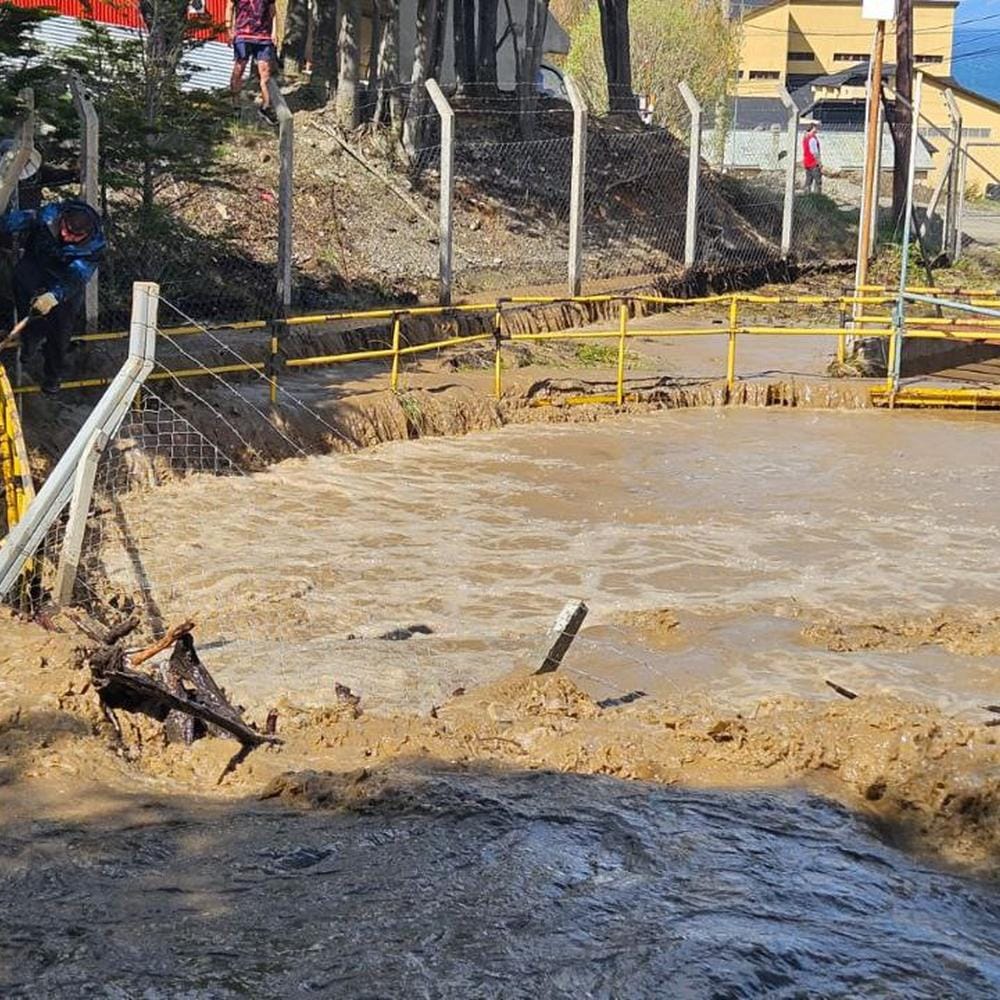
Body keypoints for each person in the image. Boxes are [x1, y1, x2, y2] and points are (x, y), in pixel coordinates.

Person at [0, 200, 105, 395]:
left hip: (65, 279)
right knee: (21, 282)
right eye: (65, 229)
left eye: (74, 235)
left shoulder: (93, 247)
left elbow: (77, 276)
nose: (65, 235)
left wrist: (54, 296)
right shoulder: (50, 215)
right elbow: (21, 220)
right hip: (37, 263)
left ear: (85, 235)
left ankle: (53, 375)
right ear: (62, 219)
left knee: (61, 327)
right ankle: (30, 338)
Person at [227, 0, 279, 126]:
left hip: (263, 36)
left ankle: (266, 107)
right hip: (242, 35)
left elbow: (272, 11)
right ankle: (236, 104)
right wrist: (229, 29)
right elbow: (230, 6)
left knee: (265, 72)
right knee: (239, 69)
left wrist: (274, 32)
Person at [802, 123, 822, 194]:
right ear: (812, 129)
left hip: (807, 162)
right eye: (815, 128)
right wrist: (819, 162)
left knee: (808, 180)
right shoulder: (812, 139)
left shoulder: (805, 138)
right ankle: (817, 197)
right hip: (813, 163)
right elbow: (814, 152)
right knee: (818, 181)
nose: (816, 129)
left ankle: (806, 195)